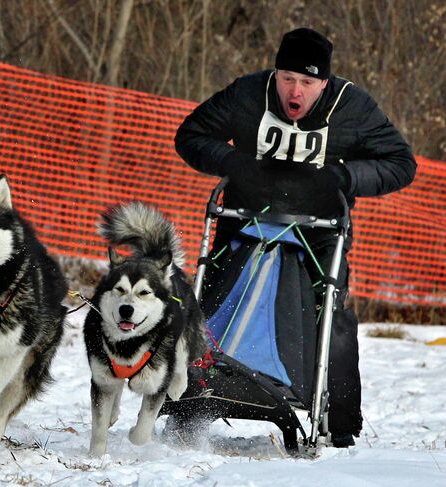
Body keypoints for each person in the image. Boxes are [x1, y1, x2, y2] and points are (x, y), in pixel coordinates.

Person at [174, 27, 416, 447]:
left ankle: (339, 425)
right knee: (211, 303)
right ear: (276, 74)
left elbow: (401, 163)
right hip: (243, 223)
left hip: (319, 233)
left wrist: (345, 176)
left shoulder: (352, 107)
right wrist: (232, 160)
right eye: (288, 78)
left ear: (324, 82)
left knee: (331, 316)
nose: (296, 90)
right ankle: (191, 397)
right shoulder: (249, 93)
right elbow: (191, 135)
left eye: (307, 82)